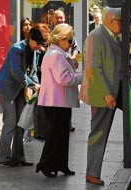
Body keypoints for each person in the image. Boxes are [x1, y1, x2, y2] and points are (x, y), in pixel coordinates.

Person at [0, 23, 49, 167]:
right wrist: (33, 85)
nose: (40, 47)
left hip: (20, 90)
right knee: (10, 123)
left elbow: (33, 71)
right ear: (31, 38)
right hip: (7, 90)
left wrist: (37, 85)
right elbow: (17, 72)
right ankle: (4, 157)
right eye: (38, 43)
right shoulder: (17, 49)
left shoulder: (34, 51)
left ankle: (18, 157)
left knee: (20, 124)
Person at [79, 7, 122, 186]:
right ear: (111, 20)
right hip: (103, 95)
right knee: (98, 134)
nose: (122, 24)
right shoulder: (95, 37)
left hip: (115, 91)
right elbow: (93, 68)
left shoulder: (112, 36)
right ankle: (92, 173)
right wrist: (106, 93)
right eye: (120, 21)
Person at [35, 23, 83, 177]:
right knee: (56, 136)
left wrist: (71, 64)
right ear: (60, 39)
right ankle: (46, 164)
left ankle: (60, 164)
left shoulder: (56, 53)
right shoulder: (56, 55)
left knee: (60, 135)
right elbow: (64, 79)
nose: (71, 44)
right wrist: (84, 77)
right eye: (69, 41)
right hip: (56, 102)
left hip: (57, 101)